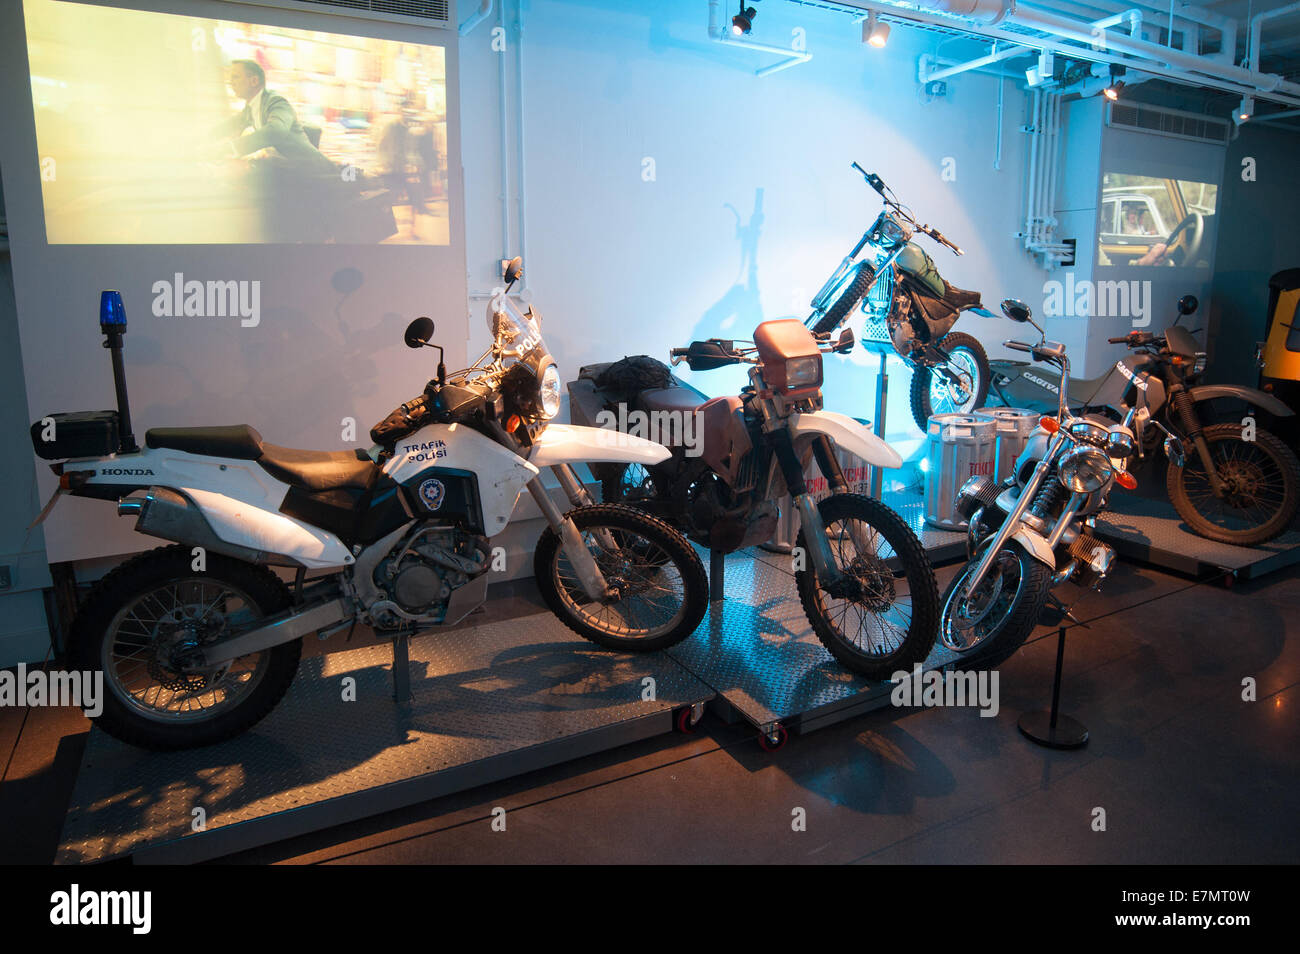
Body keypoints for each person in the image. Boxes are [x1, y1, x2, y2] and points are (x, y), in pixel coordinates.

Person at [216, 59, 334, 171]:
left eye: (235, 77)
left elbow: (276, 132)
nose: (231, 82)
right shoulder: (251, 108)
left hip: (311, 173)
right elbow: (230, 125)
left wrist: (231, 148)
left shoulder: (276, 102)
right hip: (286, 170)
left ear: (254, 81)